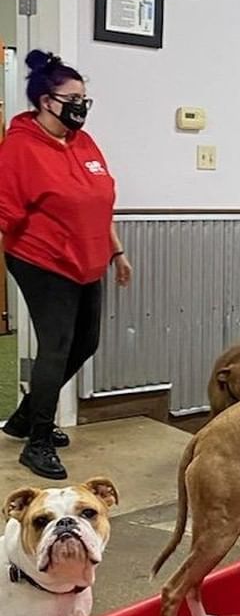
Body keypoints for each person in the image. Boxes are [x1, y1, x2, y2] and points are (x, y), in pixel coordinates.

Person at [0, 49, 132, 480]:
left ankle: (23, 418)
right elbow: (6, 212)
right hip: (41, 259)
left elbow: (99, 202)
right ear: (45, 101)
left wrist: (116, 251)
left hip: (88, 257)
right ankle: (37, 442)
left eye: (84, 98)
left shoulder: (84, 143)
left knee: (85, 342)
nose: (81, 106)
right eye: (72, 98)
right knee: (55, 347)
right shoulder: (19, 148)